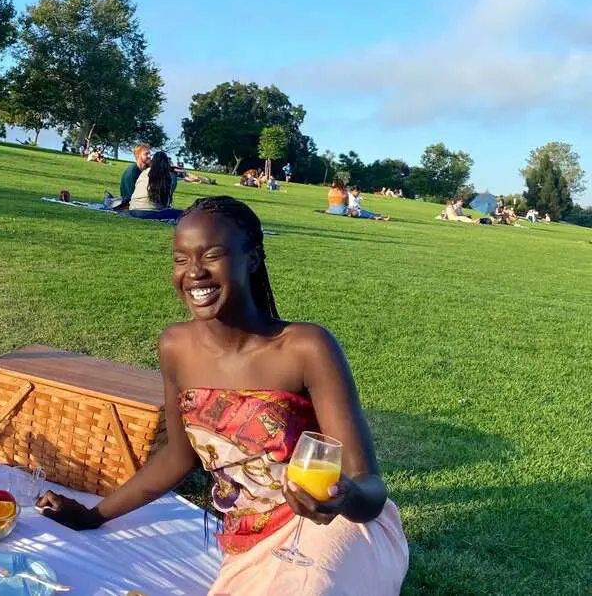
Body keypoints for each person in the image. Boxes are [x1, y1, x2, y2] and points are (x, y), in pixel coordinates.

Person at [36, 196, 408, 594]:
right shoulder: (176, 347)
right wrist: (94, 515)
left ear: (252, 259)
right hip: (249, 541)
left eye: (212, 255)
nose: (194, 272)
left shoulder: (305, 348)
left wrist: (344, 496)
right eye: (181, 259)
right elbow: (179, 456)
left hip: (331, 529)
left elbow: (370, 488)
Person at [128, 151, 182, 219]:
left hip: (133, 209)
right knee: (181, 213)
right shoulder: (166, 176)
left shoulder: (144, 172)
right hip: (148, 212)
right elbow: (165, 202)